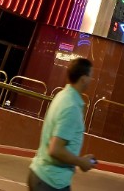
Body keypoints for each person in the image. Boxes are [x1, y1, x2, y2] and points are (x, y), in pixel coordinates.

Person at [28, 57, 96, 190]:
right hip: (51, 182)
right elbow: (56, 150)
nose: (91, 80)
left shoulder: (62, 96)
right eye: (90, 76)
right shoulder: (71, 106)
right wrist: (81, 162)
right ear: (83, 79)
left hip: (43, 176)